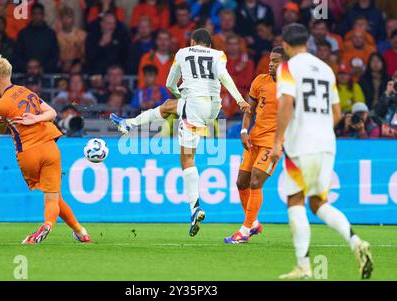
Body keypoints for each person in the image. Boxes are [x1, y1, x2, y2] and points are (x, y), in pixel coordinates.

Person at [109, 28, 250, 236]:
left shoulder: (183, 53)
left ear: (192, 41)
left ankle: (195, 207)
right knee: (168, 106)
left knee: (186, 158)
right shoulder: (219, 54)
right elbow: (223, 75)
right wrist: (239, 99)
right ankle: (129, 124)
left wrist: (181, 96)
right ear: (209, 45)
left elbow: (169, 83)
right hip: (213, 108)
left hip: (194, 105)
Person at [271, 23, 373, 279]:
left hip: (300, 144)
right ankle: (355, 241)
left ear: (285, 44)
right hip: (327, 143)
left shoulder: (288, 67)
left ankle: (303, 266)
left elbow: (285, 104)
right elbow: (337, 114)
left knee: (296, 200)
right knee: (318, 203)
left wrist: (277, 141)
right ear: (307, 42)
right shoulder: (327, 70)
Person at [0, 56, 91, 244]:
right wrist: (37, 118)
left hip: (29, 153)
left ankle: (51, 227)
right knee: (53, 197)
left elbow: (0, 129)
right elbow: (52, 112)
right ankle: (80, 232)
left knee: (52, 196)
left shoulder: (1, 105)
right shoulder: (26, 91)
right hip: (50, 147)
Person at [223, 47, 286, 244]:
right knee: (241, 182)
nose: (271, 64)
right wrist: (243, 131)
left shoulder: (292, 88)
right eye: (270, 60)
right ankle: (254, 223)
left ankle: (244, 230)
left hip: (272, 143)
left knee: (256, 182)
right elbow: (249, 110)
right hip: (254, 139)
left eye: (276, 61)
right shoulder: (260, 81)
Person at [14, 3, 60, 73]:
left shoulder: (50, 34)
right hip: (25, 73)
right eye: (34, 14)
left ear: (43, 15)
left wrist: (43, 68)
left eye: (39, 14)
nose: (37, 16)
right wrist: (27, 67)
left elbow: (55, 55)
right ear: (31, 15)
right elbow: (17, 54)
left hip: (46, 74)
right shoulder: (23, 34)